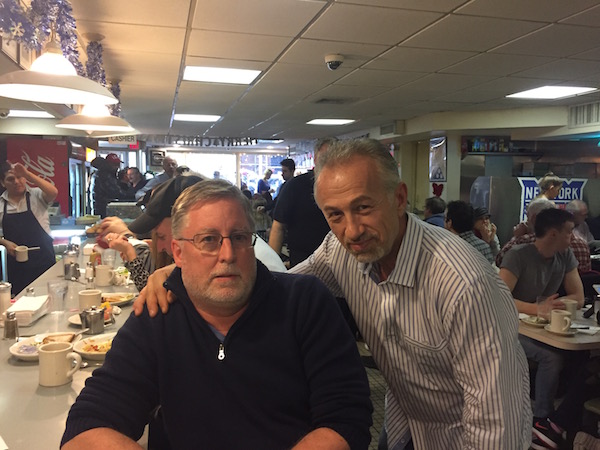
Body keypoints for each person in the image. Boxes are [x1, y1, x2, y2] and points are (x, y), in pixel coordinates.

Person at [137, 138, 531, 449]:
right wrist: (183, 269)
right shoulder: (341, 251)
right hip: (403, 423)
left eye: (363, 207)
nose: (352, 229)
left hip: (464, 437)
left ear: (397, 198)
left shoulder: (462, 283)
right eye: (335, 214)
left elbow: (497, 420)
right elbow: (274, 288)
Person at [61, 179, 373, 449]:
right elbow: (88, 425)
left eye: (239, 237)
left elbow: (347, 418)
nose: (227, 254)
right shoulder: (157, 314)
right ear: (179, 252)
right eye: (208, 240)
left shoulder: (305, 303)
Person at [498, 207, 585, 449]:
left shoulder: (565, 255)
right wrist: (538, 308)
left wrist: (552, 307)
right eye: (569, 232)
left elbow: (578, 296)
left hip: (543, 326)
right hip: (510, 326)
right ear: (553, 234)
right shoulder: (518, 256)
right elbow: (499, 298)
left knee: (583, 356)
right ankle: (542, 420)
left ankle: (570, 422)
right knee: (551, 357)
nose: (573, 236)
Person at [269, 137, 335, 267]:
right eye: (325, 158)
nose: (329, 163)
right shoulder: (295, 186)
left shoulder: (342, 187)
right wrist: (272, 267)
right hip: (303, 260)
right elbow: (278, 228)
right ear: (316, 160)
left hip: (337, 260)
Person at [0, 161, 57, 296]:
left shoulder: (36, 195)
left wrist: (27, 173)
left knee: (47, 298)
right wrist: (4, 242)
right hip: (17, 266)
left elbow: (53, 192)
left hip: (44, 261)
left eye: (20, 177)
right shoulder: (1, 205)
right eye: (10, 179)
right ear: (3, 183)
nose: (17, 181)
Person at [496, 198, 591, 274]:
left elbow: (499, 260)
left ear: (533, 219)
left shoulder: (522, 242)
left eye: (527, 216)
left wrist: (516, 237)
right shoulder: (582, 244)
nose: (571, 236)